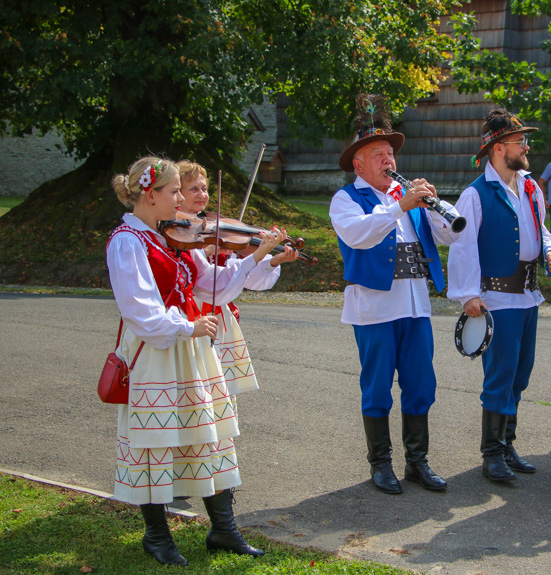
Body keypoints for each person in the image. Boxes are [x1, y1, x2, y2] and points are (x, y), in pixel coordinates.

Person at [107, 156, 285, 565]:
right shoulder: (127, 241)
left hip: (189, 347)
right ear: (150, 195)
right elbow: (141, 312)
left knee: (209, 437)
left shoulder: (165, 236)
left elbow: (211, 286)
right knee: (156, 443)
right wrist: (188, 327)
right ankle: (157, 537)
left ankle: (224, 530)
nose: (180, 201)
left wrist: (259, 255)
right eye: (173, 193)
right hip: (155, 354)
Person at [329, 94, 461, 495]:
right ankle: (381, 464)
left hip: (415, 305)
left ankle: (417, 462)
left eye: (391, 153)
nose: (389, 160)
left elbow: (448, 236)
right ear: (358, 163)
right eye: (379, 154)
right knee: (377, 386)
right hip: (374, 309)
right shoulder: (346, 200)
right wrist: (399, 206)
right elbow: (359, 235)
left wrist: (435, 206)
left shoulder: (407, 200)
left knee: (422, 384)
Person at [447, 108, 551, 482]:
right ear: (498, 149)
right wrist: (467, 295)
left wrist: (549, 249)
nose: (526, 147)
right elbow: (462, 248)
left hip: (528, 295)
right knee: (500, 376)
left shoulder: (529, 185)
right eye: (519, 141)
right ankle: (491, 453)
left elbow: (540, 228)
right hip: (497, 299)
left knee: (520, 374)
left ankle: (507, 444)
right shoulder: (475, 195)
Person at [177, 160, 298, 396]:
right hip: (194, 314)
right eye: (193, 189)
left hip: (219, 311)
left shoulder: (214, 228)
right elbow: (202, 275)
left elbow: (243, 277)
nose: (202, 194)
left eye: (204, 188)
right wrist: (206, 251)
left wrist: (273, 260)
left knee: (218, 386)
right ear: (177, 193)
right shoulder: (176, 232)